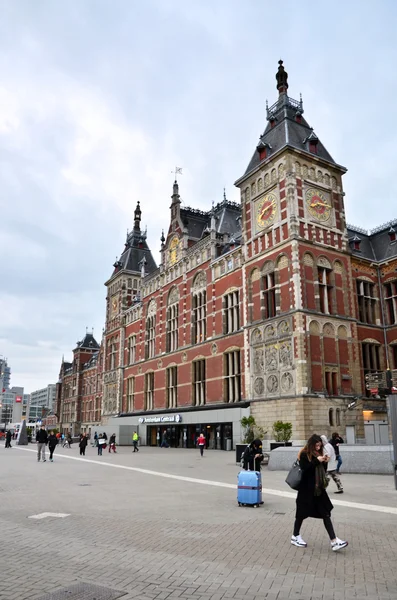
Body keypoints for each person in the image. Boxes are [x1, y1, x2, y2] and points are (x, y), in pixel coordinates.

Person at [291, 434, 348, 551]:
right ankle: (295, 536)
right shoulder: (304, 454)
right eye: (316, 445)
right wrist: (317, 461)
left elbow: (322, 471)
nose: (318, 447)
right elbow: (306, 470)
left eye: (319, 445)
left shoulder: (319, 454)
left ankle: (334, 541)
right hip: (306, 491)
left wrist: (324, 461)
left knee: (325, 513)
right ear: (311, 445)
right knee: (301, 514)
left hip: (318, 490)